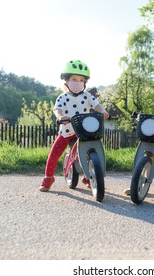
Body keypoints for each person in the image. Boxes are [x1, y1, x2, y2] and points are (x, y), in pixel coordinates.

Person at [39, 60, 109, 192]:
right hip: (67, 131)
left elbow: (97, 105)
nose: (78, 83)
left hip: (84, 132)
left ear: (85, 83)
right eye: (74, 79)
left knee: (91, 154)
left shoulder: (88, 96)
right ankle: (48, 178)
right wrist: (60, 117)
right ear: (66, 81)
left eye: (81, 80)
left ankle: (89, 178)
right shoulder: (62, 97)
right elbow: (57, 109)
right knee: (54, 154)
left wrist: (103, 111)